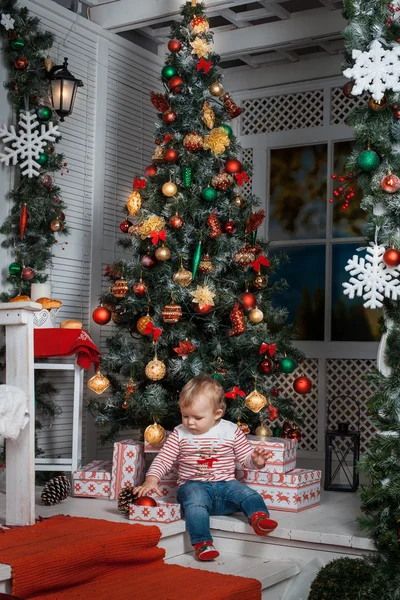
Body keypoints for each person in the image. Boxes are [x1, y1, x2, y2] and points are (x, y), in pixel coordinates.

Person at [134, 375, 278, 561]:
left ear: (217, 414)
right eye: (185, 416)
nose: (190, 422)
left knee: (248, 494)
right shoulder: (179, 433)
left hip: (226, 485)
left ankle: (258, 517)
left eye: (197, 417)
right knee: (195, 501)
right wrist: (151, 478)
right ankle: (202, 543)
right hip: (193, 485)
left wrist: (257, 461)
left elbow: (244, 459)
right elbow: (164, 458)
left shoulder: (231, 430)